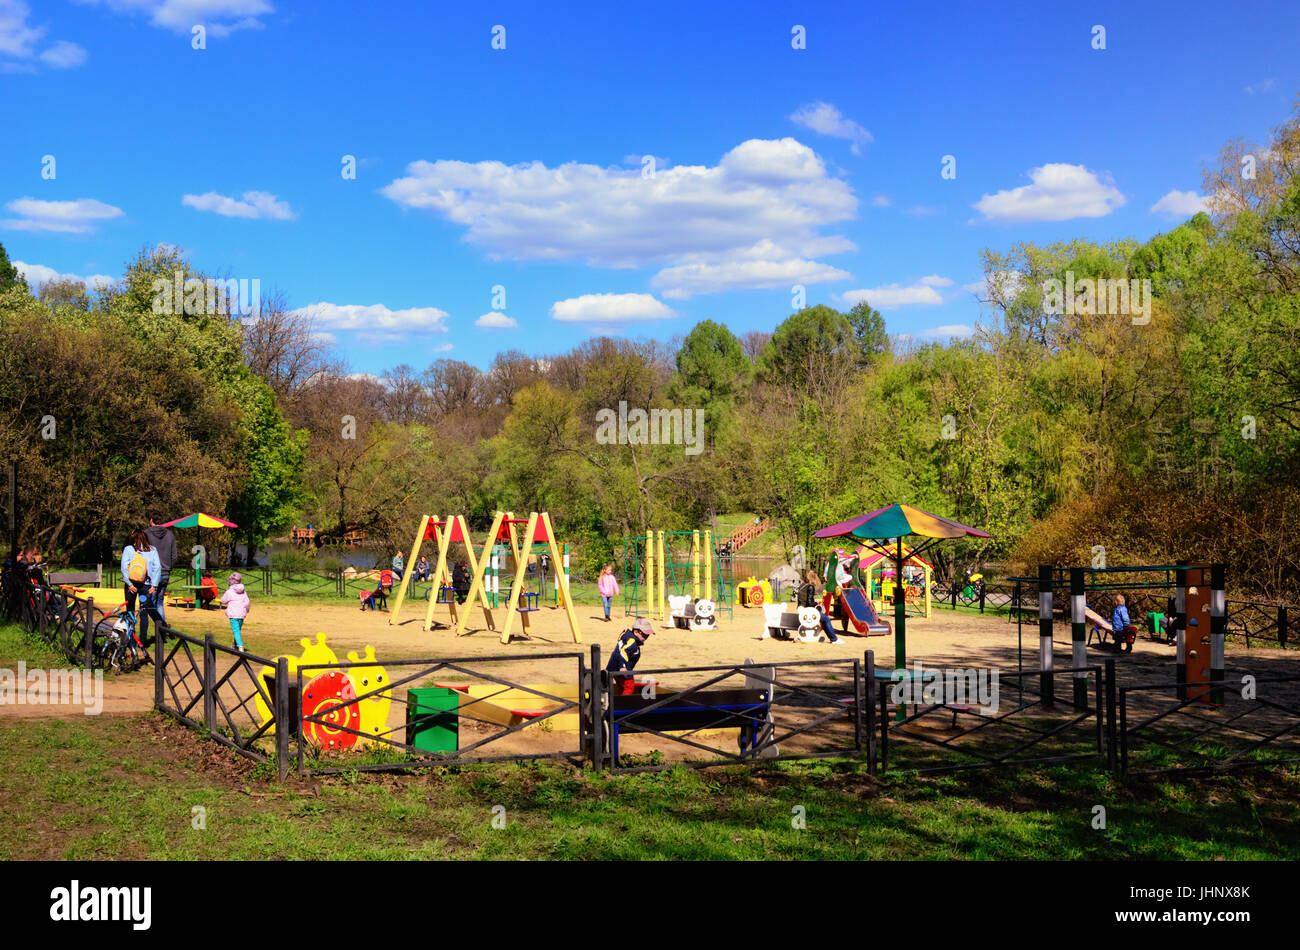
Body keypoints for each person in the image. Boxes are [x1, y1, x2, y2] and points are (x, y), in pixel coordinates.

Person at [120, 529, 161, 653]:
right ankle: (142, 641)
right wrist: (154, 585)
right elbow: (157, 567)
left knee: (130, 612)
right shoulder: (152, 550)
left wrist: (129, 584)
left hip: (131, 587)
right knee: (144, 612)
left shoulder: (128, 549)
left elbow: (124, 567)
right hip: (146, 586)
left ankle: (131, 639)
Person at [141, 513, 176, 641]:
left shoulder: (146, 534)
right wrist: (168, 567)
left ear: (151, 520)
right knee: (159, 603)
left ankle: (157, 632)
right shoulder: (170, 534)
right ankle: (162, 632)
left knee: (149, 605)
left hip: (151, 575)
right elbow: (174, 555)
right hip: (165, 573)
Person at [798, 569, 841, 643]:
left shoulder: (802, 586)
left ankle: (832, 638)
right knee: (826, 619)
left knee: (823, 619)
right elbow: (809, 602)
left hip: (801, 609)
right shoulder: (810, 587)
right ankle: (834, 639)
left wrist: (813, 602)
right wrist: (817, 604)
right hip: (808, 611)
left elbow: (805, 600)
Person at [221, 572, 251, 651]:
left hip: (233, 614)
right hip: (241, 614)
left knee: (236, 630)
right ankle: (234, 645)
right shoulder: (244, 592)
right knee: (237, 630)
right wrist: (246, 610)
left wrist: (226, 592)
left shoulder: (229, 592)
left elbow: (223, 600)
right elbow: (247, 602)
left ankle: (240, 646)